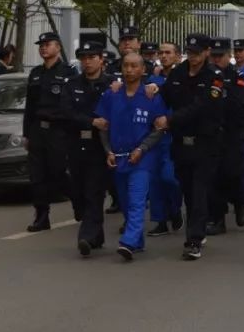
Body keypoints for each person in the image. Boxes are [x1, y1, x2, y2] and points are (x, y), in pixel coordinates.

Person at [96, 52, 170, 260]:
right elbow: (103, 125)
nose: (129, 70)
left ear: (142, 70)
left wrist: (143, 148)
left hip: (143, 158)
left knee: (137, 199)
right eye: (126, 66)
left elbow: (159, 127)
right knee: (126, 201)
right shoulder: (112, 94)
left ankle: (128, 241)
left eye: (134, 66)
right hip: (118, 156)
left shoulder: (150, 96)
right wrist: (107, 150)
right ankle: (137, 241)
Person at [159, 34, 225, 260]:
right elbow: (165, 96)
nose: (193, 56)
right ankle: (198, 229)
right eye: (190, 51)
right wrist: (150, 89)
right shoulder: (177, 73)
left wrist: (171, 119)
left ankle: (193, 240)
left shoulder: (215, 76)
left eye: (198, 52)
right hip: (181, 143)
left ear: (207, 52)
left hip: (205, 142)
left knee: (198, 191)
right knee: (188, 190)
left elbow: (203, 106)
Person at [23, 31, 78, 232]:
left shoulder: (68, 73)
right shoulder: (36, 73)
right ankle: (41, 215)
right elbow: (29, 106)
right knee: (37, 176)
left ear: (58, 47)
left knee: (58, 173)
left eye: (48, 44)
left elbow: (73, 104)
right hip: (38, 129)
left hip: (59, 130)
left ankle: (77, 200)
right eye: (41, 44)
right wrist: (26, 133)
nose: (43, 47)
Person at [61, 42, 113, 256]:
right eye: (84, 57)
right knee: (78, 192)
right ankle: (96, 233)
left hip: (99, 146)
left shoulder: (111, 84)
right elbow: (66, 113)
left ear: (101, 59)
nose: (88, 61)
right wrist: (92, 121)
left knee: (94, 192)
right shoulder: (71, 84)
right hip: (75, 144)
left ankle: (86, 236)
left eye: (92, 57)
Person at [206, 37, 244, 235]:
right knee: (213, 176)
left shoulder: (236, 77)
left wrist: (222, 88)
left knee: (233, 173)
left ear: (228, 56)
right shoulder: (205, 76)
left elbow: (238, 103)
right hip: (211, 134)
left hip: (232, 133)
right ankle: (218, 218)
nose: (216, 60)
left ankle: (240, 203)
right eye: (213, 56)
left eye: (220, 56)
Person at [147, 42, 184, 236]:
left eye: (168, 52)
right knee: (155, 181)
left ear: (177, 56)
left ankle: (175, 209)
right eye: (161, 53)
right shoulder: (153, 79)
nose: (164, 55)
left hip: (174, 135)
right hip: (155, 136)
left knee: (170, 178)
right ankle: (160, 220)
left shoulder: (182, 79)